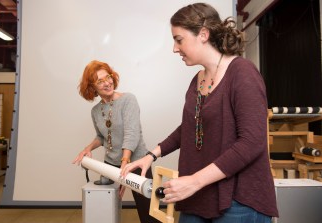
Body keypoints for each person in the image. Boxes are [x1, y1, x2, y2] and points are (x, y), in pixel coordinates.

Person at [121, 3, 279, 223]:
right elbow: (190, 126)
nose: (174, 49)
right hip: (198, 196)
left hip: (238, 199)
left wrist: (194, 181)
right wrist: (151, 155)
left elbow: (252, 142)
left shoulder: (242, 73)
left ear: (203, 34)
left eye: (179, 39)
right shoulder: (197, 80)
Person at [72, 60, 160, 223]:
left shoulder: (128, 100)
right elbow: (101, 136)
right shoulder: (96, 111)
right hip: (111, 162)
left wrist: (124, 166)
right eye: (100, 81)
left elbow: (131, 134)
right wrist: (88, 148)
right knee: (105, 205)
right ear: (92, 87)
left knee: (148, 212)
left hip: (135, 161)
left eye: (108, 77)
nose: (107, 82)